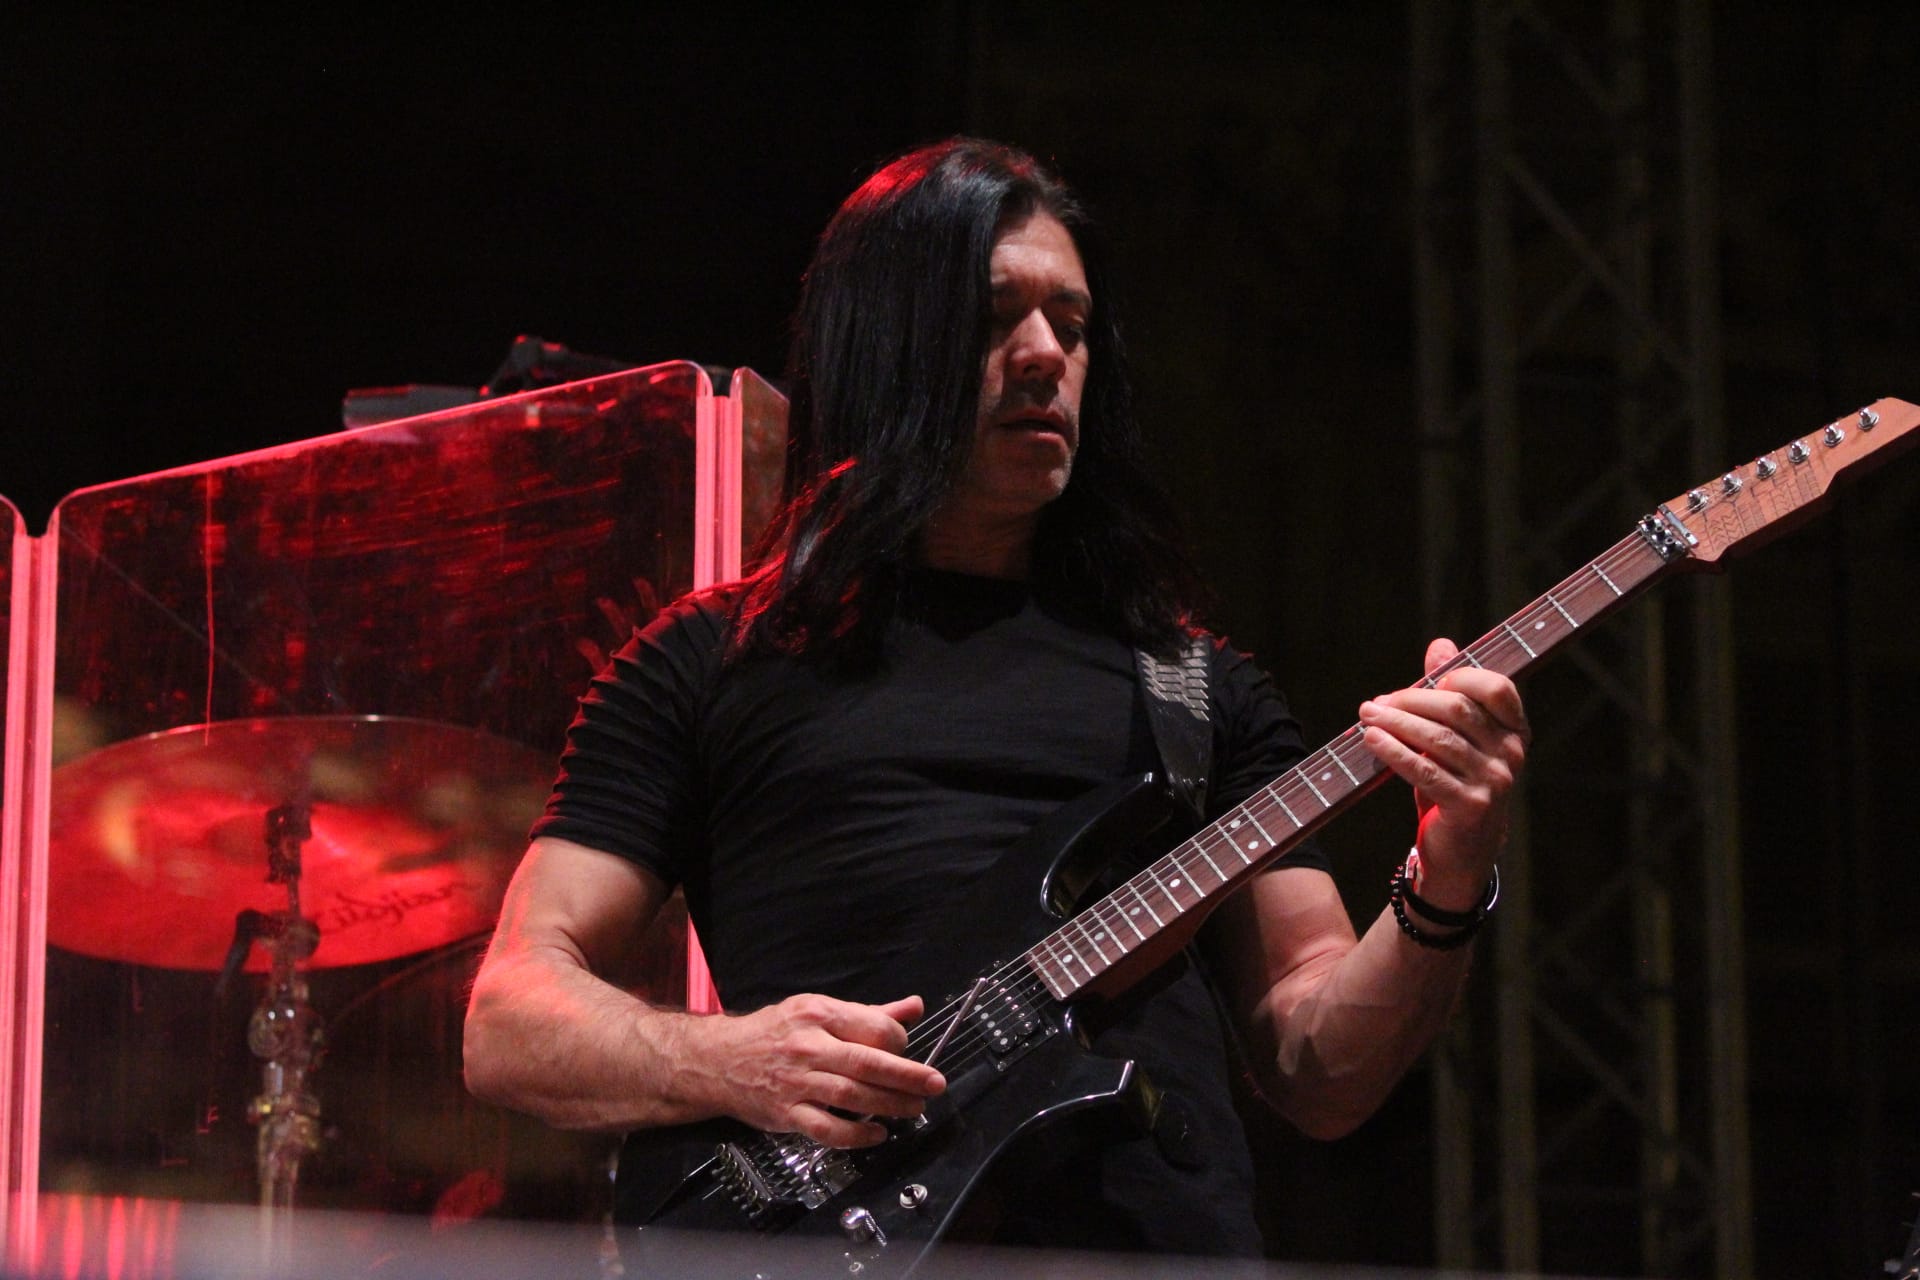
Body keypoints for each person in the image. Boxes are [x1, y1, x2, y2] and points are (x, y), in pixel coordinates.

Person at [463, 137, 1528, 1258]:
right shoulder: (705, 662)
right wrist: (731, 1059)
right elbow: (512, 1016)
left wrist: (1450, 870)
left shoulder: (1197, 687)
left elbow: (1321, 1068)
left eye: (1070, 325)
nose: (1043, 355)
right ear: (885, 342)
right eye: (994, 316)